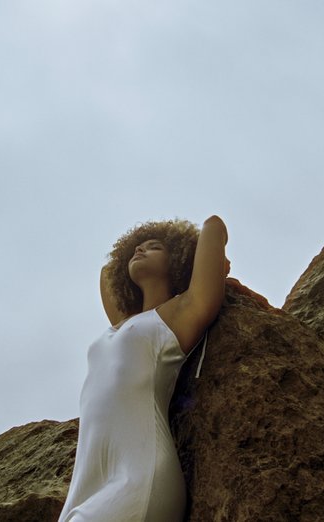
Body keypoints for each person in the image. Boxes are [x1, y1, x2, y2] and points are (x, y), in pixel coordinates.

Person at [58, 215, 229, 522]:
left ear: (178, 260)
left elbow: (213, 226)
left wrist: (212, 262)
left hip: (139, 477)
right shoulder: (124, 322)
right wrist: (130, 254)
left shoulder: (179, 314)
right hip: (84, 488)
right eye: (136, 248)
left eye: (154, 247)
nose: (140, 250)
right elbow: (107, 272)